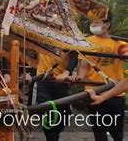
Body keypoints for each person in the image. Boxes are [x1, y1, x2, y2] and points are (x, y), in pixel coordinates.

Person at [77, 12, 125, 141]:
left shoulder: (118, 43)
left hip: (115, 93)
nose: (93, 25)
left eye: (97, 22)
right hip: (93, 92)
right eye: (92, 22)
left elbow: (125, 53)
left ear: (107, 24)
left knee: (117, 132)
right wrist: (80, 78)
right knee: (99, 131)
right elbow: (84, 66)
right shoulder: (87, 42)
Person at [32, 50, 78, 141]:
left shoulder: (69, 38)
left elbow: (74, 57)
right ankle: (51, 138)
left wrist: (67, 73)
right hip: (44, 81)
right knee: (46, 112)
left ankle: (54, 136)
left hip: (62, 81)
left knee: (64, 115)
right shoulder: (41, 38)